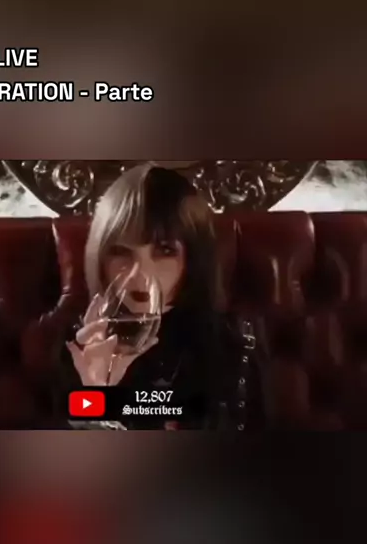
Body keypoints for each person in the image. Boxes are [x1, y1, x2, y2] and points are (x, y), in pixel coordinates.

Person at [50, 163, 265, 430]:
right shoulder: (80, 344)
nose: (140, 273)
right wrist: (95, 394)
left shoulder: (230, 343)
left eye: (164, 251)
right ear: (100, 257)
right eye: (121, 252)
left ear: (193, 257)